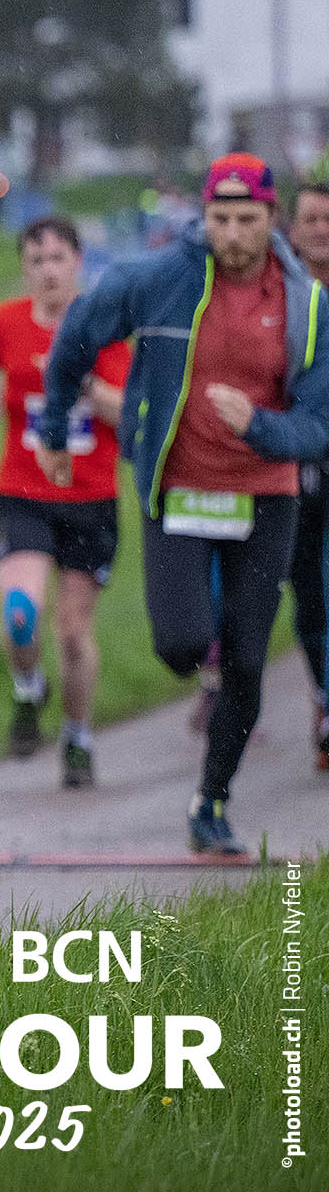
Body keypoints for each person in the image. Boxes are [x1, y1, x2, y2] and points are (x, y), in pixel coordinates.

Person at [40, 153, 328, 855]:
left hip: (265, 496)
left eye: (246, 220)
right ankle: (206, 663)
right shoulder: (159, 277)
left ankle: (212, 802)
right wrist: (53, 428)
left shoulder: (309, 305)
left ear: (272, 219)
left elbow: (318, 427)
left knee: (248, 663)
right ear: (204, 215)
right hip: (178, 488)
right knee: (180, 643)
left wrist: (258, 427)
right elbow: (77, 335)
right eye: (219, 218)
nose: (231, 234)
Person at [0, 217, 131, 788]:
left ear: (78, 263)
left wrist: (76, 379)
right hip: (23, 492)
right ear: (24, 268)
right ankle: (28, 687)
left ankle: (77, 737)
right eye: (36, 260)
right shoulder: (5, 320)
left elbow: (126, 411)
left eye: (59, 258)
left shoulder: (103, 328)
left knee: (71, 630)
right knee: (21, 614)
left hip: (90, 497)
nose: (48, 271)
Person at [282, 182, 329, 768]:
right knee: (310, 591)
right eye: (310, 219)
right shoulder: (281, 296)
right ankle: (322, 693)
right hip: (297, 459)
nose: (320, 229)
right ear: (292, 229)